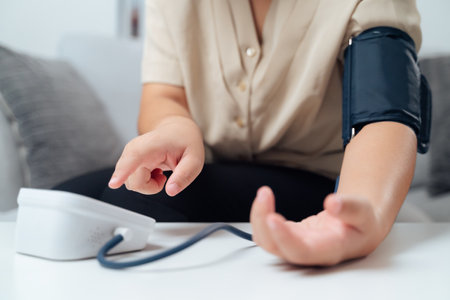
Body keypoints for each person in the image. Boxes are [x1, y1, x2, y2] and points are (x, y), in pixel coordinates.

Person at [56, 0, 426, 266]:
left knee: (133, 206)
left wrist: (365, 212)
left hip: (316, 181)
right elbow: (163, 94)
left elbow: (384, 116)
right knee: (57, 208)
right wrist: (175, 127)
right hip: (213, 170)